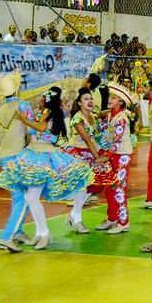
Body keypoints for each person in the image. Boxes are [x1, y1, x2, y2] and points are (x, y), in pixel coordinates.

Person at [0, 85, 93, 249]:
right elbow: (45, 134)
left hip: (42, 157)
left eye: (42, 97)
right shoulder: (46, 113)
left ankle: (45, 232)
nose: (39, 100)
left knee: (32, 197)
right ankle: (41, 232)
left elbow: (44, 131)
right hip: (35, 153)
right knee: (31, 197)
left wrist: (25, 120)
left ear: (47, 99)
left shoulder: (50, 113)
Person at [61, 90, 116, 234]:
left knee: (95, 186)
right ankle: (77, 220)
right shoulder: (77, 119)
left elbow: (97, 132)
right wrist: (98, 158)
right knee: (83, 186)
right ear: (79, 103)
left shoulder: (93, 116)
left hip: (92, 152)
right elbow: (87, 140)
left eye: (91, 98)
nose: (90, 101)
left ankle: (73, 215)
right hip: (80, 154)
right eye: (86, 99)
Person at [0, 72, 34, 252]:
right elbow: (32, 131)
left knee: (19, 196)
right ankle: (7, 236)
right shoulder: (23, 105)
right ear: (17, 89)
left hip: (4, 156)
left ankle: (18, 232)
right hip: (18, 155)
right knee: (24, 198)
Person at [97, 83, 137, 234]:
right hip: (114, 155)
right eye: (110, 96)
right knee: (110, 186)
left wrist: (105, 156)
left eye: (113, 98)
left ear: (121, 101)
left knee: (119, 187)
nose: (110, 99)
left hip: (122, 156)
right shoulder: (111, 115)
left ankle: (123, 222)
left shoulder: (121, 118)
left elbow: (117, 141)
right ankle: (112, 218)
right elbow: (106, 134)